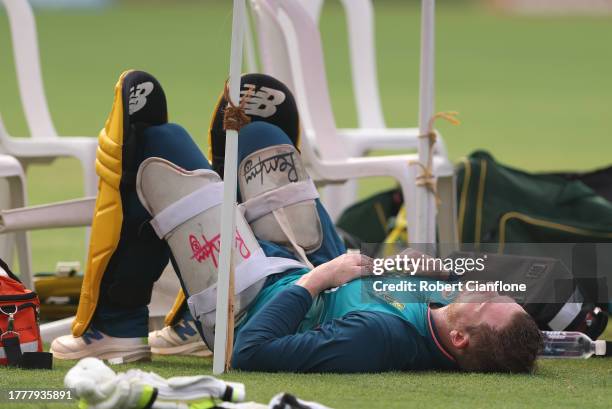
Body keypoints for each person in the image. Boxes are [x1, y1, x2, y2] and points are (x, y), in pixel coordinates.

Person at [51, 70, 542, 373]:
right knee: (259, 134)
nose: (488, 291)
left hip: (245, 306)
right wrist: (396, 267)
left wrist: (321, 277)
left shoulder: (374, 342)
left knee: (158, 148)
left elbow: (251, 352)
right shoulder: (440, 314)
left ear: (459, 339)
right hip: (303, 267)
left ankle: (112, 327)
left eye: (488, 302)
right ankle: (180, 325)